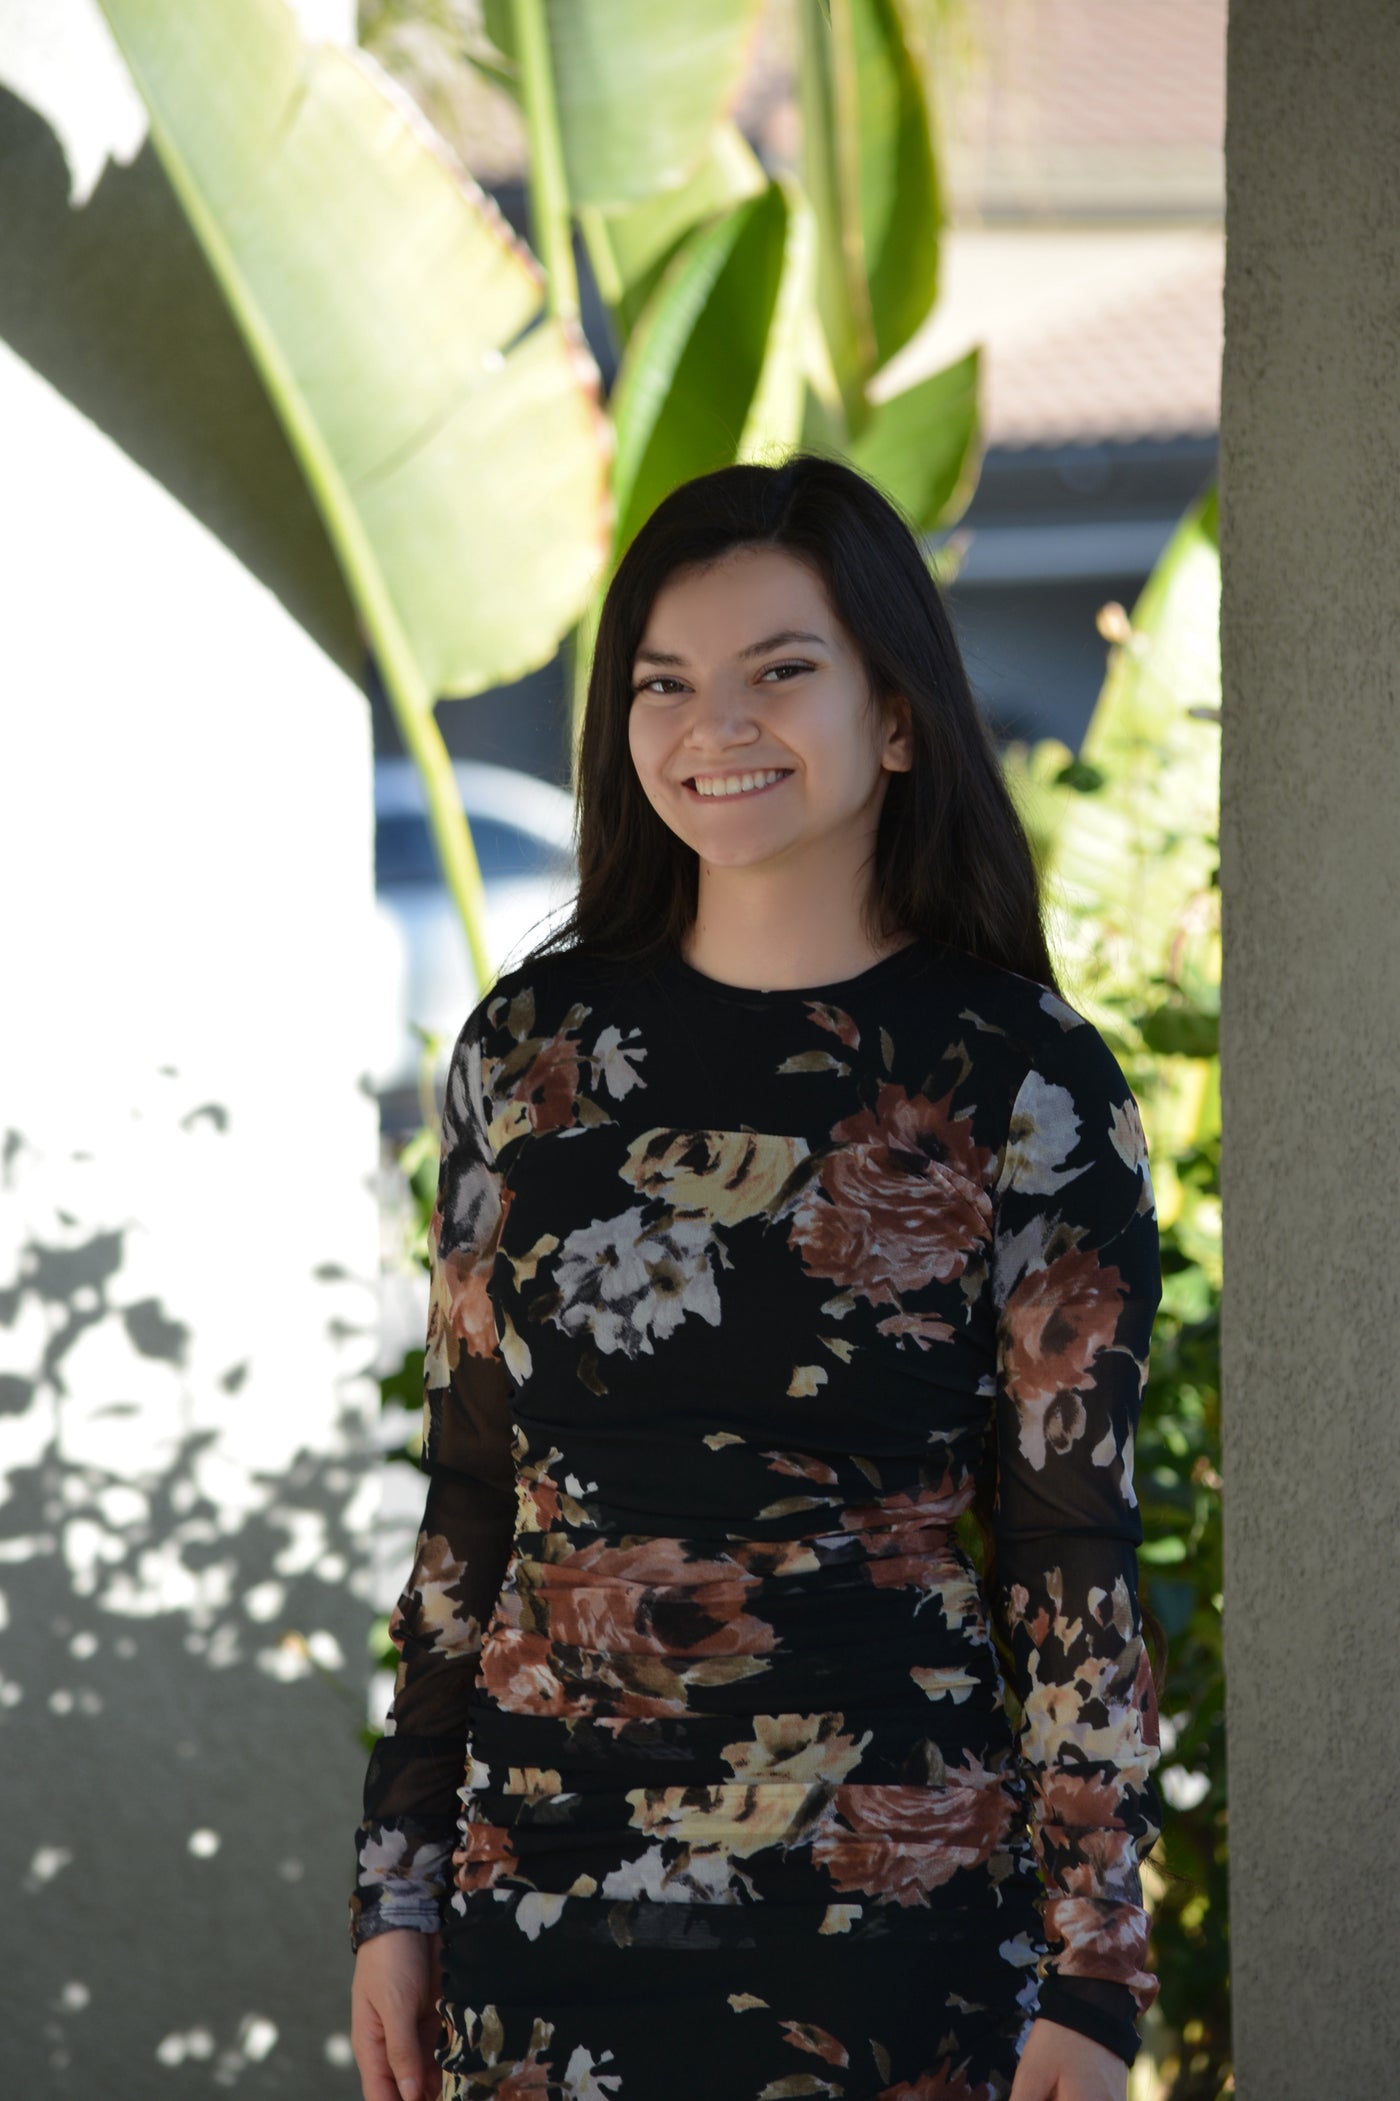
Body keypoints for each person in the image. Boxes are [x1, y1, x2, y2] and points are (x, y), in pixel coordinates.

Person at [349, 454, 1164, 2101]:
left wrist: (1097, 1959)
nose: (714, 726)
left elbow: (1068, 1542)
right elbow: (472, 1498)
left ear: (900, 718)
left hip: (898, 1905)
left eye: (779, 671)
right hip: (548, 1894)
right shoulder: (527, 1054)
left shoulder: (1026, 1077)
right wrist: (398, 1883)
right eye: (665, 685)